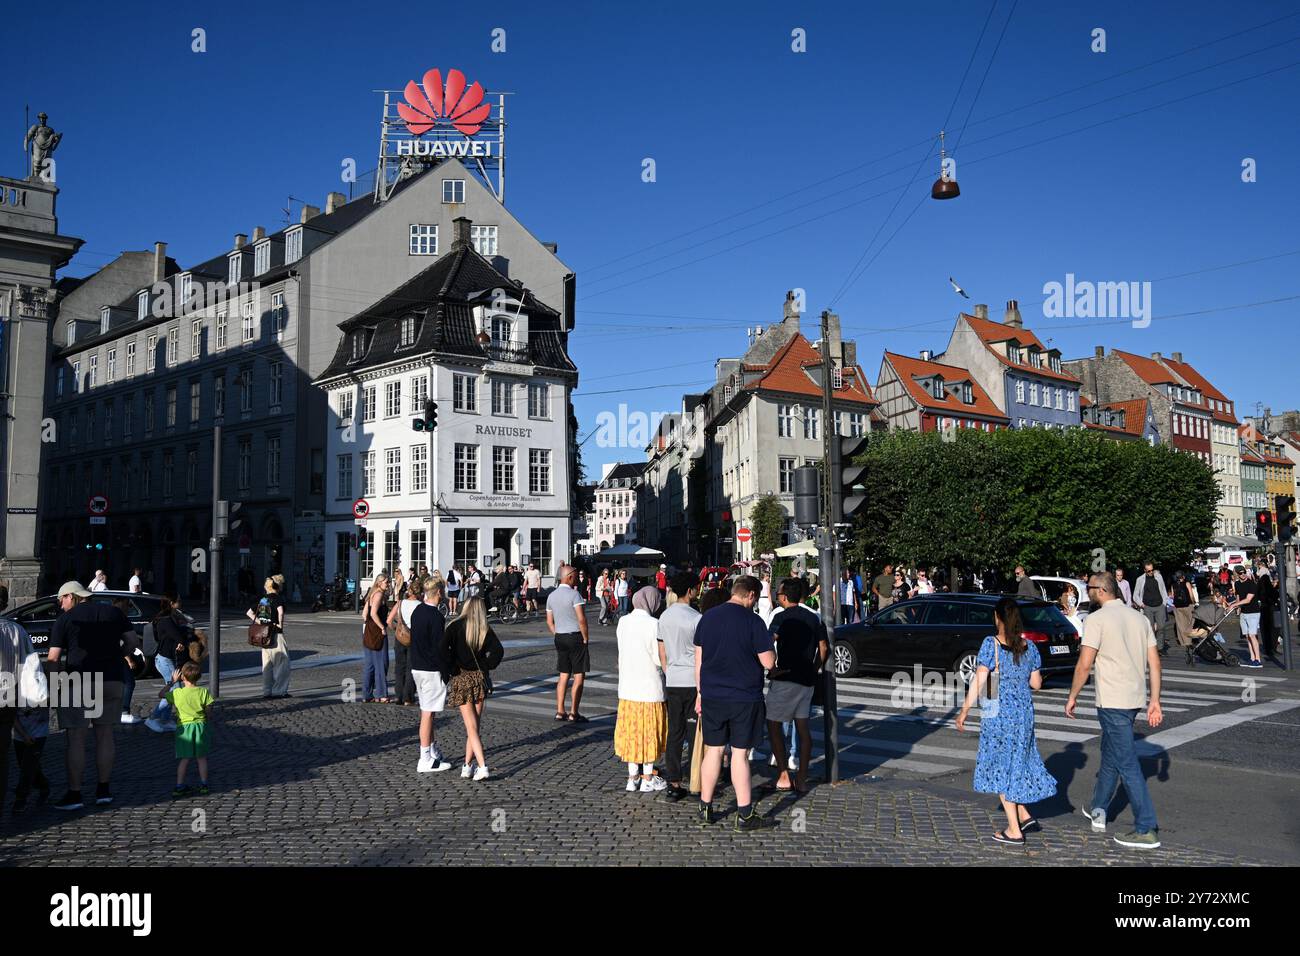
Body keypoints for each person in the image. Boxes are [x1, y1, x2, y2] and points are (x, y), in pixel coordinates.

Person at [1066, 571, 1163, 849]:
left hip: (1112, 701)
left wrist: (1073, 695)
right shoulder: (1139, 618)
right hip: (1133, 698)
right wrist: (1154, 699)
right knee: (1110, 754)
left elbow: (1084, 664)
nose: (1088, 592)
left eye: (1089, 588)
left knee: (1127, 763)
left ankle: (1146, 827)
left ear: (1102, 590)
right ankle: (1099, 808)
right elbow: (1154, 663)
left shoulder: (1096, 620)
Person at [956, 597, 1058, 847]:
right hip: (1024, 714)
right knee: (1017, 762)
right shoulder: (1028, 646)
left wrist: (964, 710)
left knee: (1001, 765)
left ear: (998, 618)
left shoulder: (990, 644)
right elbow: (1036, 683)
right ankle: (1023, 815)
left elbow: (981, 681)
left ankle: (1014, 830)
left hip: (998, 713)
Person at [694, 575, 776, 831]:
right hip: (744, 697)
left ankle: (706, 807)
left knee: (713, 750)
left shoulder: (707, 618)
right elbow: (768, 663)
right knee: (740, 755)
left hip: (712, 695)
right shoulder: (753, 621)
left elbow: (699, 659)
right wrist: (771, 648)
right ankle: (744, 814)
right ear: (751, 595)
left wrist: (700, 692)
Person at [47, 580, 138, 811]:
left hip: (79, 681)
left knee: (76, 739)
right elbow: (132, 642)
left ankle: (75, 794)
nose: (60, 604)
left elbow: (54, 659)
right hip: (111, 679)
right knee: (105, 736)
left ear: (71, 596)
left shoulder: (66, 620)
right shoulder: (113, 612)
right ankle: (103, 790)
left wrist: (54, 686)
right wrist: (118, 655)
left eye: (61, 599)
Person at [765, 577, 828, 794]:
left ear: (783, 596)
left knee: (773, 725)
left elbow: (767, 642)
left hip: (785, 677)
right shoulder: (814, 618)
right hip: (806, 680)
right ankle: (801, 778)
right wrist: (815, 667)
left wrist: (772, 668)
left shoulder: (781, 617)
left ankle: (783, 774)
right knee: (803, 729)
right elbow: (824, 648)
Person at [615, 586, 669, 792]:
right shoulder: (654, 624)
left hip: (628, 687)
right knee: (649, 732)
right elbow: (658, 657)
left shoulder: (623, 622)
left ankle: (632, 777)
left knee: (631, 733)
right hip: (649, 687)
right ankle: (647, 777)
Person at [443, 594, 503, 780]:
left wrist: (452, 669)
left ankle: (483, 766)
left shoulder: (454, 626)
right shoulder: (484, 628)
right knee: (474, 726)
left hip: (462, 678)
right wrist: (485, 665)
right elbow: (498, 652)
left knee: (471, 727)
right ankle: (467, 765)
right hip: (480, 678)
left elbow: (442, 652)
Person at [658, 572, 702, 801]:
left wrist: (668, 671)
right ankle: (696, 782)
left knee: (674, 732)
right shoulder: (696, 617)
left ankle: (673, 783)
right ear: (690, 591)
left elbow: (662, 651)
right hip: (692, 681)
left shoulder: (664, 616)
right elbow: (701, 653)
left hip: (673, 679)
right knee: (696, 733)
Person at [2, 614, 48, 815]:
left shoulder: (14, 630)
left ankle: (16, 798)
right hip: (9, 699)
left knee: (14, 755)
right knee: (7, 756)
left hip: (11, 700)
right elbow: (30, 665)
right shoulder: (15, 630)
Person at [409, 578, 452, 773]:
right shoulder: (436, 616)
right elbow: (439, 649)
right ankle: (424, 757)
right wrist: (446, 672)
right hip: (430, 669)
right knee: (427, 712)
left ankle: (432, 751)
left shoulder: (418, 611)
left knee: (430, 712)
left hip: (417, 665)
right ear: (439, 593)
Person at [159, 660, 214, 798]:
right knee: (201, 758)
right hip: (200, 726)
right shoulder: (203, 692)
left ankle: (179, 785)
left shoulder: (177, 693)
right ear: (199, 676)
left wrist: (171, 682)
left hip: (183, 727)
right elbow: (209, 711)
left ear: (182, 677)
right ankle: (204, 784)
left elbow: (160, 694)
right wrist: (207, 719)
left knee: (185, 759)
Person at [145, 596, 197, 733]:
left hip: (168, 658)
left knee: (174, 690)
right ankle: (152, 718)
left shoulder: (173, 618)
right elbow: (179, 636)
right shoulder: (166, 620)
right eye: (178, 600)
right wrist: (182, 640)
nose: (181, 602)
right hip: (165, 660)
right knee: (175, 691)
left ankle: (165, 720)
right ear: (172, 604)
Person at [547, 564, 590, 721]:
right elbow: (581, 619)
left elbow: (549, 621)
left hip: (560, 637)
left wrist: (557, 632)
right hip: (575, 636)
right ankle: (574, 712)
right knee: (579, 675)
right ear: (570, 576)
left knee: (563, 674)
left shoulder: (551, 596)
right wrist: (585, 637)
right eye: (576, 575)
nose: (577, 578)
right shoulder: (575, 595)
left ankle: (560, 711)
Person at [247, 575, 290, 698]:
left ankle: (267, 691)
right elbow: (280, 612)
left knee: (267, 664)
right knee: (282, 663)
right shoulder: (278, 599)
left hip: (264, 634)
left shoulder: (263, 600)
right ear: (278, 586)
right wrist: (280, 626)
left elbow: (249, 612)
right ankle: (279, 691)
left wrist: (260, 622)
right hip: (275, 633)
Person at [388, 574, 420, 707]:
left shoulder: (400, 603)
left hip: (400, 637)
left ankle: (398, 696)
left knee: (399, 667)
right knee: (411, 668)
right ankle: (408, 697)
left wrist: (397, 629)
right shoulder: (420, 605)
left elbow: (389, 621)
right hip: (414, 638)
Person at [360, 574, 392, 702]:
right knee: (381, 663)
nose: (388, 584)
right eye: (386, 582)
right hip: (377, 631)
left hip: (368, 630)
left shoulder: (372, 594)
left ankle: (367, 695)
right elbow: (373, 613)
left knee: (370, 664)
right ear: (379, 583)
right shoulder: (378, 595)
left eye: (388, 582)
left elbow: (364, 614)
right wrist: (382, 627)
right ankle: (381, 694)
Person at [1227, 567, 1263, 668]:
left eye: (1244, 572)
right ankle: (1252, 658)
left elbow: (1248, 600)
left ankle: (1258, 659)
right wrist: (1237, 608)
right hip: (1244, 612)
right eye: (1240, 573)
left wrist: (1234, 605)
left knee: (1252, 635)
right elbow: (1238, 596)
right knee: (1247, 636)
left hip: (1253, 612)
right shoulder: (1237, 584)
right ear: (1237, 574)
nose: (1243, 574)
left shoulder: (1252, 584)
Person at [1131, 562, 1170, 654]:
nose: (1151, 572)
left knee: (1161, 626)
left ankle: (1160, 648)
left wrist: (1164, 603)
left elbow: (1163, 590)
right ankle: (1151, 648)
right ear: (1145, 570)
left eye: (1152, 570)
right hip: (1147, 606)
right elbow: (1135, 595)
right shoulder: (1140, 579)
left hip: (1160, 605)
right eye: (1149, 571)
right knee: (1150, 628)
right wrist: (1141, 604)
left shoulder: (1158, 577)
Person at [1171, 570, 1198, 665]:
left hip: (1178, 607)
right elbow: (1191, 595)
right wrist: (1194, 602)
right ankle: (1191, 640)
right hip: (1187, 606)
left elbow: (1173, 596)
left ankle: (1185, 642)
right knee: (1190, 623)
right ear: (1183, 576)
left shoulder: (1173, 585)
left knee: (1181, 625)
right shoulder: (1187, 583)